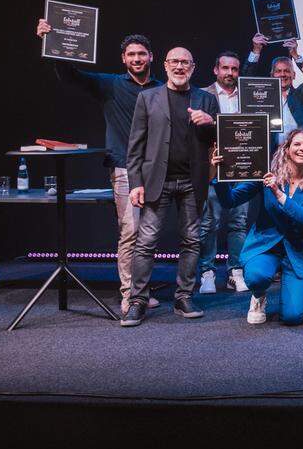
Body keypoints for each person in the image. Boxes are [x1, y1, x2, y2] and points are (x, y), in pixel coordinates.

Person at [36, 21, 163, 313]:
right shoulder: (110, 84)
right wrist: (51, 43)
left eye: (141, 54)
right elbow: (70, 76)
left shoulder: (161, 88)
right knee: (130, 231)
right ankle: (130, 294)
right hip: (124, 169)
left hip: (157, 170)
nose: (137, 59)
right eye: (131, 54)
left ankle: (142, 290)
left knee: (148, 233)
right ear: (123, 59)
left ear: (151, 57)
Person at [120, 47, 219, 326]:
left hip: (193, 181)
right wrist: (135, 183)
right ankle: (137, 301)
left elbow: (221, 138)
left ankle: (183, 296)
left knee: (191, 240)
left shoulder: (206, 99)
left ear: (193, 66)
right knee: (146, 241)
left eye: (184, 62)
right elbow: (135, 146)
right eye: (174, 61)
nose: (179, 66)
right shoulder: (147, 97)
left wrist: (211, 123)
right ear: (164, 65)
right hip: (157, 182)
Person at [211, 129, 303, 326]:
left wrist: (279, 194)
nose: (302, 149)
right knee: (256, 277)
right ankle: (258, 296)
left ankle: (290, 295)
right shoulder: (266, 174)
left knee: (293, 317)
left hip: (295, 251)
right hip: (266, 245)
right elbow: (230, 200)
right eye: (297, 144)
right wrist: (218, 174)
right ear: (287, 149)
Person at [196, 50, 249, 295]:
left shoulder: (248, 94)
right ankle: (207, 272)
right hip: (214, 165)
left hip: (243, 166)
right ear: (216, 70)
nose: (230, 73)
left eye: (234, 69)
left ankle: (234, 271)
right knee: (209, 223)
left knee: (238, 223)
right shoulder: (201, 95)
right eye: (225, 68)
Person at [242, 34, 303, 145]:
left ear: (294, 75)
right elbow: (246, 80)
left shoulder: (301, 93)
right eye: (278, 71)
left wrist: (295, 54)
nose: (283, 74)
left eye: (287, 71)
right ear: (271, 75)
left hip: (297, 150)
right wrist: (256, 50)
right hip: (271, 152)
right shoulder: (262, 97)